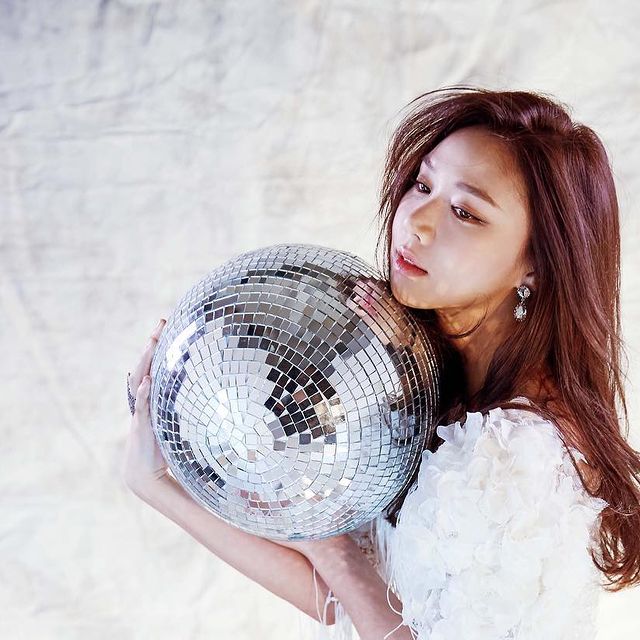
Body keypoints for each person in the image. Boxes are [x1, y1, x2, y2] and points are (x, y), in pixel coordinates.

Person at [122, 87, 640, 640]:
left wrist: (330, 545)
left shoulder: (516, 453)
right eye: (423, 185)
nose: (417, 221)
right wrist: (157, 483)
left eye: (466, 212)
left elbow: (351, 578)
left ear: (536, 263)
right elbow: (349, 602)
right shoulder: (428, 386)